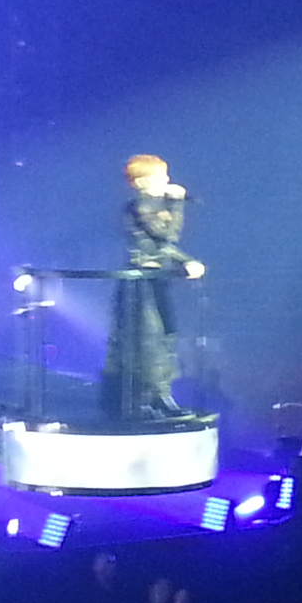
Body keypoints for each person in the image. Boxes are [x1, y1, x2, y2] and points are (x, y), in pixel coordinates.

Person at [99, 155, 203, 423]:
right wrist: (177, 204)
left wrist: (186, 261)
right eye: (161, 177)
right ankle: (144, 399)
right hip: (139, 286)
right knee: (146, 342)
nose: (167, 182)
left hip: (156, 280)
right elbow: (166, 234)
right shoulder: (139, 208)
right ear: (142, 182)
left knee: (165, 336)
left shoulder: (154, 206)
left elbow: (164, 248)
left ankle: (161, 395)